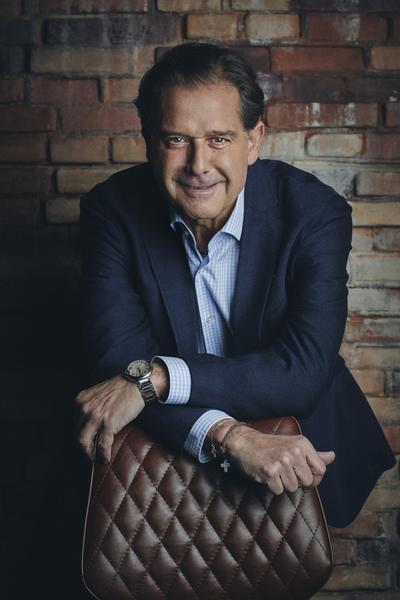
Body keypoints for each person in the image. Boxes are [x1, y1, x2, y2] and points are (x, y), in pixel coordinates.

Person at [76, 42, 395, 528]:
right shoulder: (112, 212)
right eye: (176, 139)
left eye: (219, 139)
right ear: (148, 140)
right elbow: (118, 366)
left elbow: (302, 371)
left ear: (254, 140)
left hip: (302, 456)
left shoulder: (315, 214)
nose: (199, 165)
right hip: (168, 464)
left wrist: (158, 378)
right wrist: (227, 435)